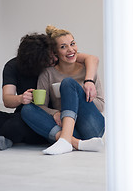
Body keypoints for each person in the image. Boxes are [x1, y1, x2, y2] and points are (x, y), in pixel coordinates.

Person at [0, 33, 99, 150]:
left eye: (53, 54)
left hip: (52, 120)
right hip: (29, 114)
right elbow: (7, 99)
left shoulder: (56, 58)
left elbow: (91, 58)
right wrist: (21, 98)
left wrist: (89, 81)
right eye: (48, 59)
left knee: (13, 127)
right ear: (37, 62)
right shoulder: (13, 67)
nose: (54, 59)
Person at [21, 25, 105, 155]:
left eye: (72, 44)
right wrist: (55, 112)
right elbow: (41, 106)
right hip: (69, 130)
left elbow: (101, 105)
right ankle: (76, 143)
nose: (71, 50)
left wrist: (78, 97)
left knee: (68, 83)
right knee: (26, 109)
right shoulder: (47, 74)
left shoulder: (88, 71)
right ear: (55, 53)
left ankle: (65, 140)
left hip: (91, 128)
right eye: (63, 47)